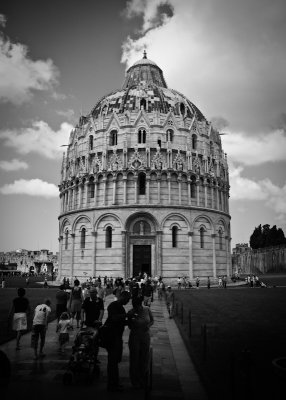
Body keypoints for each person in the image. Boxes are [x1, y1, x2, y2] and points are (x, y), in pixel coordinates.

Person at [105, 290, 131, 392]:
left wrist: (129, 321)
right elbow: (114, 318)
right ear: (123, 297)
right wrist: (126, 316)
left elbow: (120, 321)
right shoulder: (113, 305)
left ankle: (114, 382)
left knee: (115, 360)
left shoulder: (120, 307)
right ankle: (111, 384)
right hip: (112, 336)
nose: (128, 302)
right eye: (127, 300)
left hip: (117, 336)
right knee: (112, 361)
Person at [127, 296, 154, 389]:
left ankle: (143, 378)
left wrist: (148, 326)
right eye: (135, 306)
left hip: (145, 336)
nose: (136, 308)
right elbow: (129, 326)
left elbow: (152, 321)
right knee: (135, 358)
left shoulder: (147, 309)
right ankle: (134, 380)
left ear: (140, 304)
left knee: (144, 357)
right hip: (135, 336)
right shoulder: (131, 312)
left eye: (137, 306)